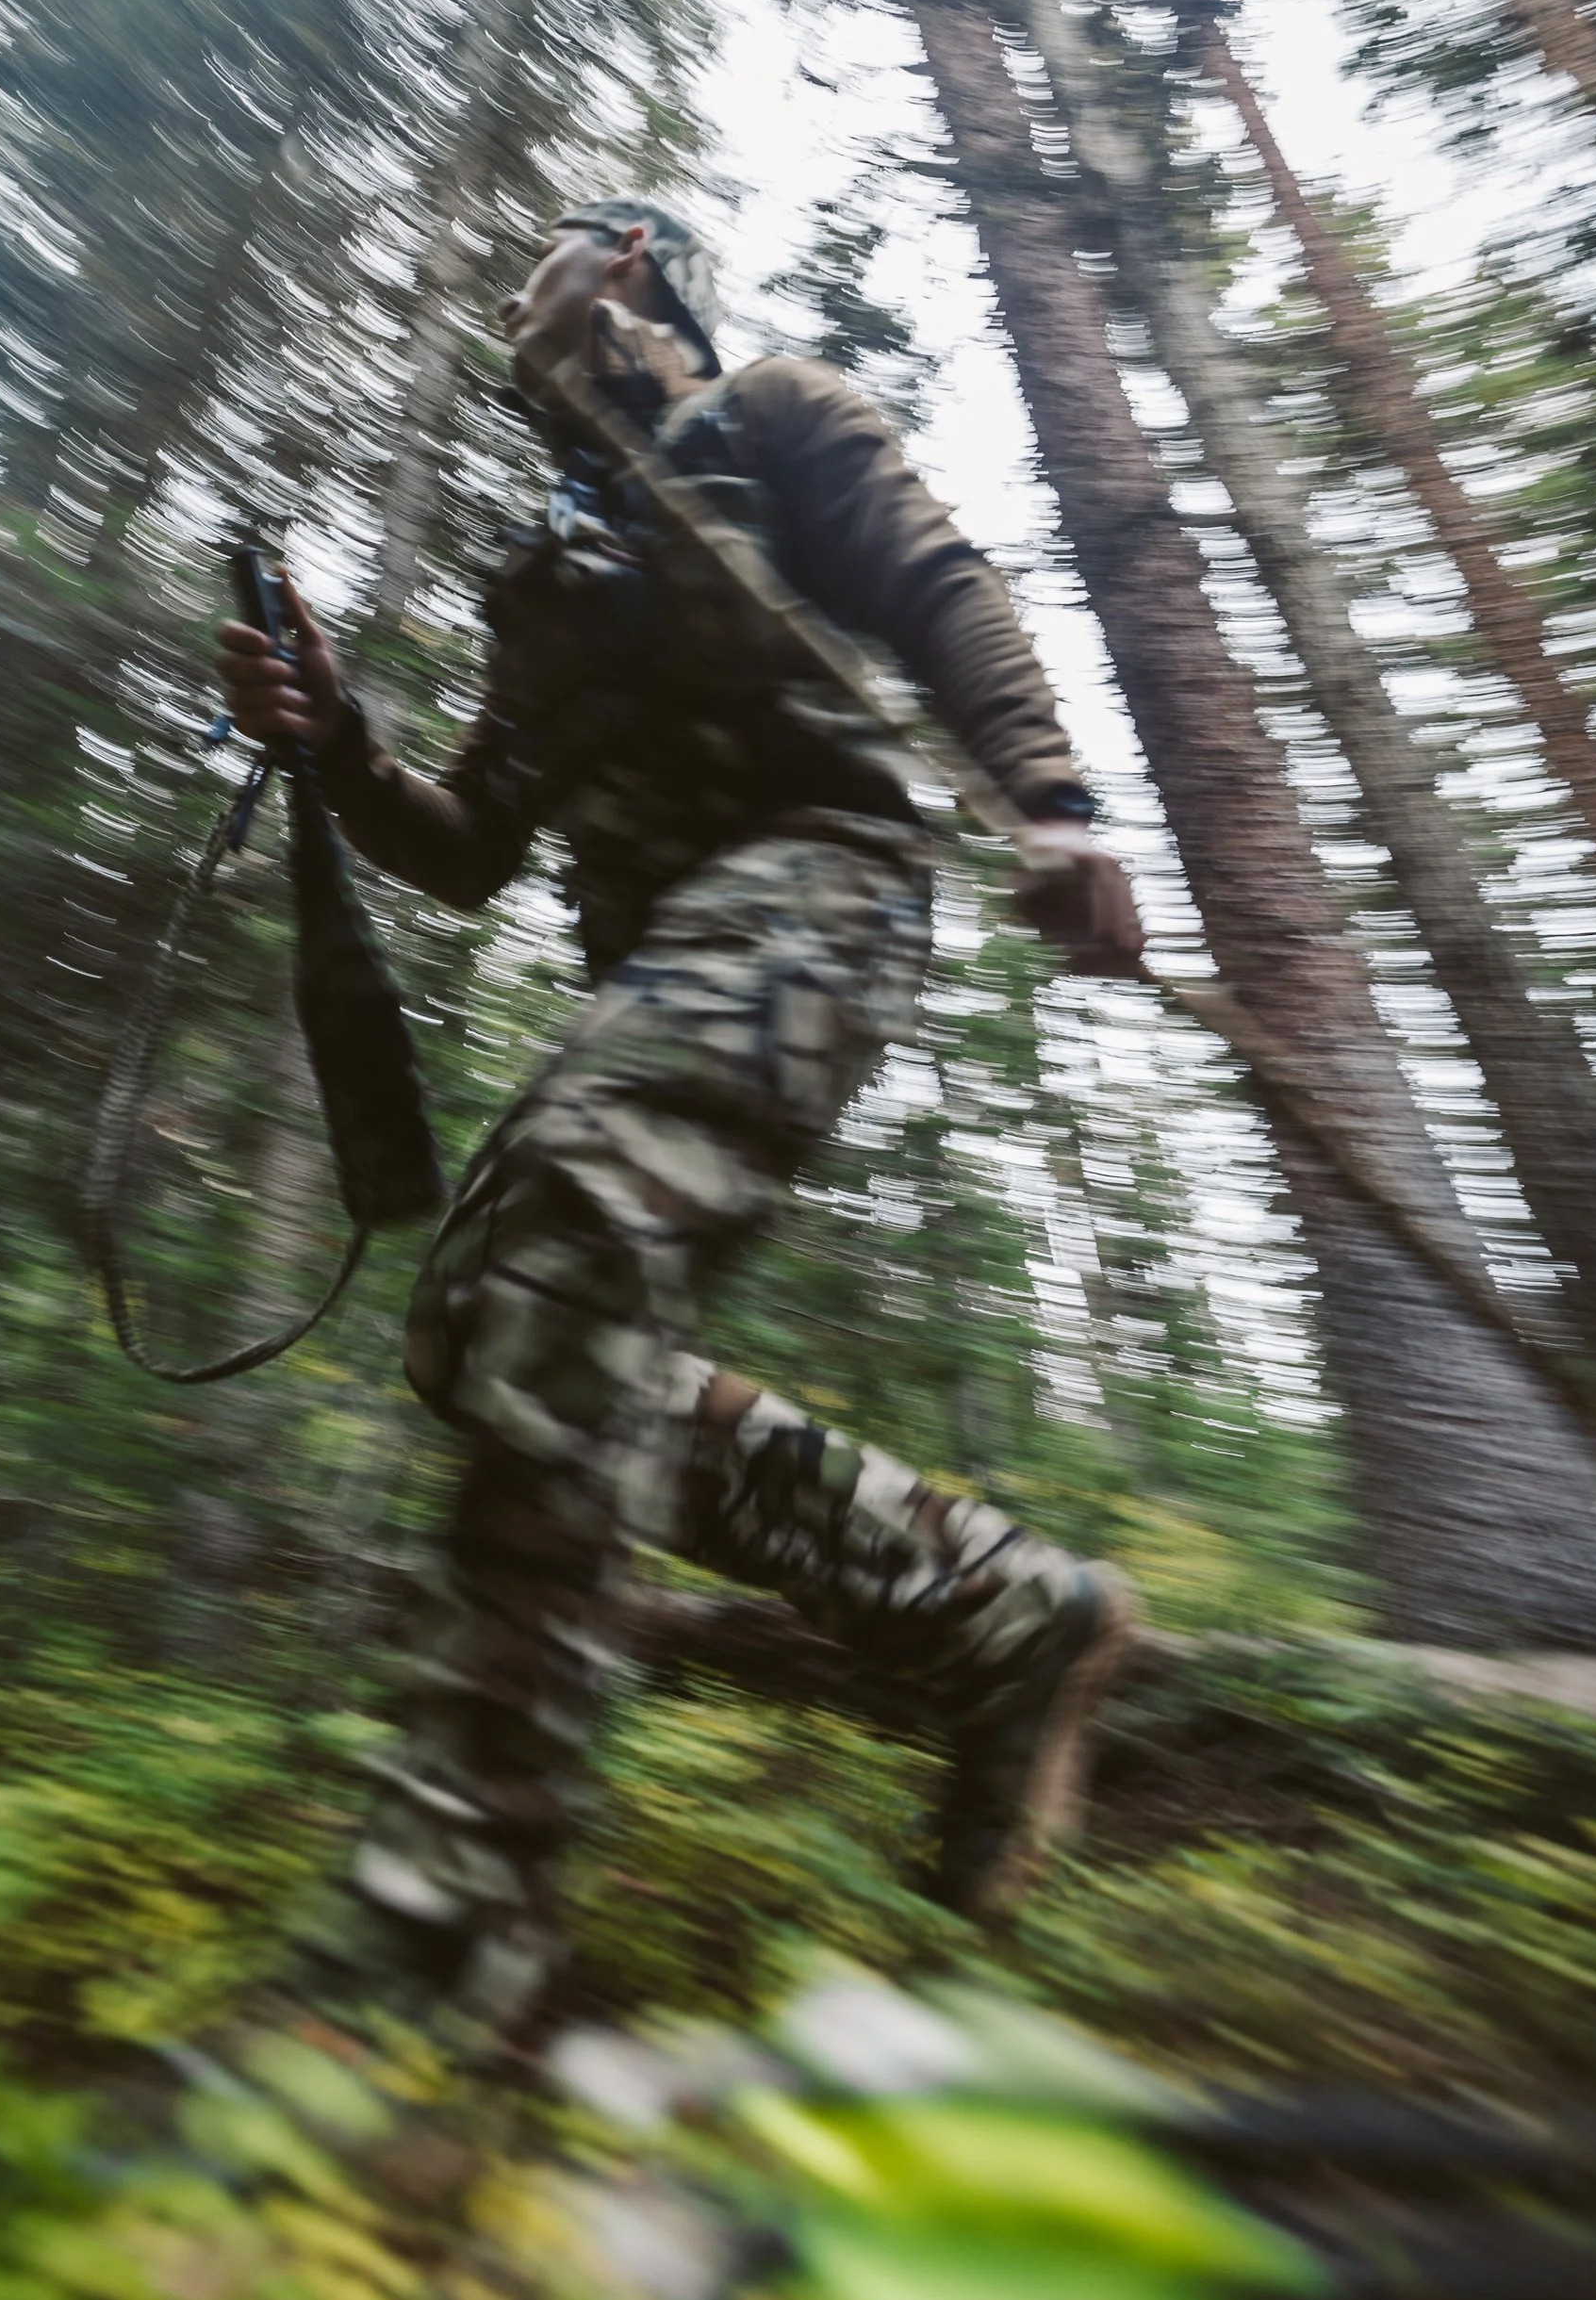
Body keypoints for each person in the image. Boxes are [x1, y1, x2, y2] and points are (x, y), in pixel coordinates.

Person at [217, 199, 1145, 2040]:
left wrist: (1050, 798)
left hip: (823, 881)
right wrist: (335, 739)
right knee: (482, 1324)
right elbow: (470, 844)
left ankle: (438, 1953)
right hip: (671, 964)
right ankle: (995, 1614)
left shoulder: (767, 412)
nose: (516, 301)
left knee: (558, 1244)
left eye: (544, 263)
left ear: (630, 259)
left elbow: (936, 579)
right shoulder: (541, 585)